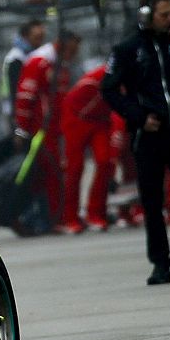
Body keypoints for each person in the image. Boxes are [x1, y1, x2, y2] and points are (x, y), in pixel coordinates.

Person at [101, 0, 170, 285]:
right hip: (148, 134)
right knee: (152, 200)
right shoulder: (127, 49)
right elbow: (108, 89)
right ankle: (160, 262)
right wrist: (138, 117)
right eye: (164, 15)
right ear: (147, 15)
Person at [14, 30, 82, 234]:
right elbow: (25, 96)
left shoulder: (59, 64)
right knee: (50, 174)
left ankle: (53, 217)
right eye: (71, 50)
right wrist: (22, 129)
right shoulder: (39, 62)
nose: (73, 55)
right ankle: (53, 219)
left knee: (52, 174)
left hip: (56, 128)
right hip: (40, 131)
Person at [61, 65, 119, 232]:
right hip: (76, 118)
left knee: (105, 161)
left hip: (100, 121)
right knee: (75, 167)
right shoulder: (95, 79)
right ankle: (70, 217)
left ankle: (96, 213)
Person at [1, 19, 47, 126]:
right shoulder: (17, 58)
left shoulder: (29, 55)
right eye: (37, 37)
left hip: (27, 109)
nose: (40, 41)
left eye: (41, 37)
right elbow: (16, 89)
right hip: (19, 111)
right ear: (26, 36)